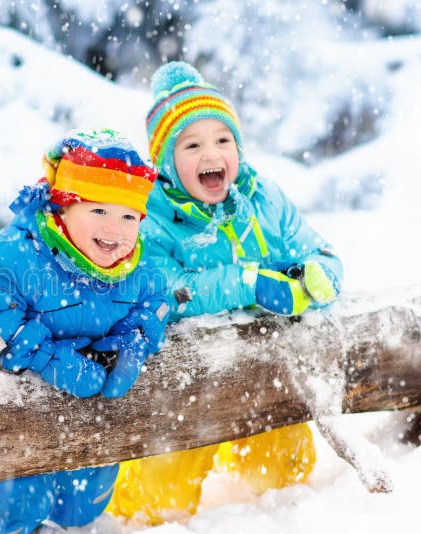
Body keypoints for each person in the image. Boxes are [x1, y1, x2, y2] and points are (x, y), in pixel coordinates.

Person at [106, 62, 344, 524]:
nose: (210, 153)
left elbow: (319, 250)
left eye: (223, 140)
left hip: (263, 374)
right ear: (166, 163)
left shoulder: (261, 198)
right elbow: (162, 289)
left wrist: (317, 275)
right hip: (180, 385)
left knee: (286, 479)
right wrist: (248, 282)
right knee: (156, 502)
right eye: (191, 145)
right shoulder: (149, 215)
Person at [0, 128, 170, 533]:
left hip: (90, 421)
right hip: (17, 421)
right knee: (12, 506)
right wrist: (48, 356)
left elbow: (158, 300)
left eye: (128, 216)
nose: (115, 229)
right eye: (98, 211)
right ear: (62, 209)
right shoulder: (18, 254)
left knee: (81, 506)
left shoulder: (136, 265)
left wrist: (134, 340)